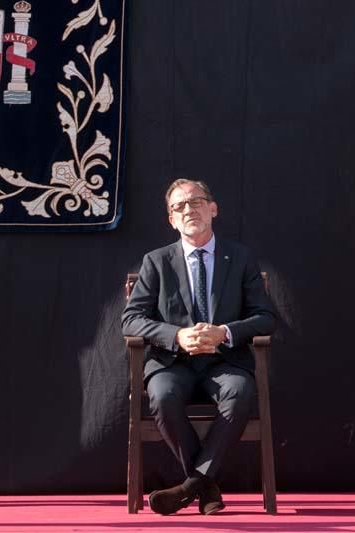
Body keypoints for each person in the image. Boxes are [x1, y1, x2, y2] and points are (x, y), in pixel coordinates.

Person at [121, 178, 276, 515]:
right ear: (171, 220)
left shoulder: (240, 258)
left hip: (225, 360)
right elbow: (131, 320)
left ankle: (190, 485)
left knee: (239, 393)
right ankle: (206, 485)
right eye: (179, 207)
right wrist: (176, 335)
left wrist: (224, 332)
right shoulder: (156, 261)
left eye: (195, 202)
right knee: (162, 396)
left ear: (213, 208)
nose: (188, 210)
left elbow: (266, 318)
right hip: (172, 361)